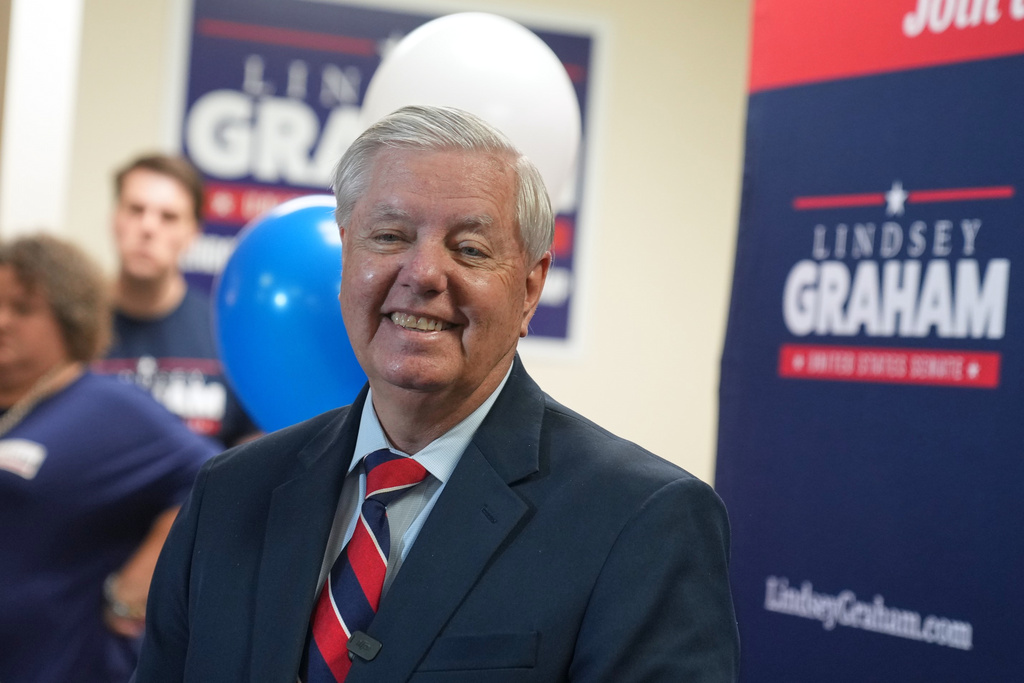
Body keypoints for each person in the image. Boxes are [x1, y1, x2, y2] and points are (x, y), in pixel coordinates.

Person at [134, 105, 739, 682]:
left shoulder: (644, 521)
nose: (423, 274)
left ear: (530, 289)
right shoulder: (230, 493)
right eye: (390, 236)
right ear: (345, 259)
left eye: (469, 249)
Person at [0, 234, 217, 683]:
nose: (1, 321)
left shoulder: (106, 409)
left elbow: (212, 482)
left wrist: (132, 591)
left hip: (59, 663)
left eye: (22, 309)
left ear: (69, 317)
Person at [92, 153, 259, 448]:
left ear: (192, 233)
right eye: (135, 209)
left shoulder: (224, 332)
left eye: (168, 217)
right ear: (114, 218)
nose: (148, 228)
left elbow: (254, 450)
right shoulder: (70, 332)